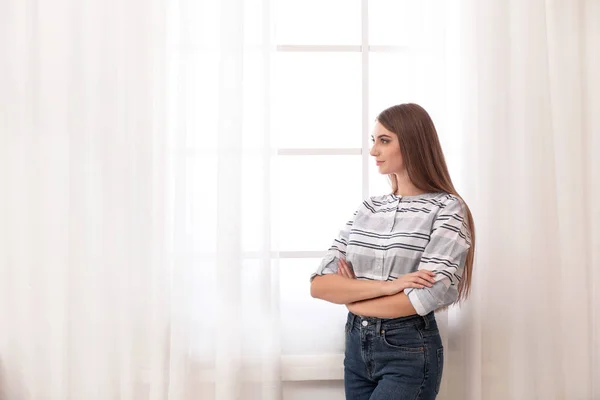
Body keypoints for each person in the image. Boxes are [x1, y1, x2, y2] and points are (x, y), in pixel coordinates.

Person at [310, 103, 475, 400]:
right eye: (374, 140)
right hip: (355, 350)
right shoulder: (368, 209)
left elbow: (425, 296)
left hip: (408, 350)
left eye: (384, 140)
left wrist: (353, 298)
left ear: (413, 143)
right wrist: (391, 286)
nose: (374, 151)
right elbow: (320, 285)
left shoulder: (447, 208)